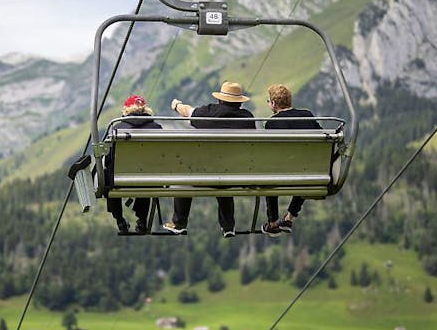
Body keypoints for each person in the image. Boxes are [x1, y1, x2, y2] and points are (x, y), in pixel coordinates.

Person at [163, 81, 255, 237]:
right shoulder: (247, 118)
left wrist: (176, 105)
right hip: (237, 175)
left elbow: (187, 111)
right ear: (239, 103)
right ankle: (228, 226)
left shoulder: (209, 112)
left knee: (183, 176)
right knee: (225, 178)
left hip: (205, 174)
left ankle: (179, 223)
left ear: (220, 99)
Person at [261, 84, 321, 237]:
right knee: (304, 168)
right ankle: (289, 218)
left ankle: (273, 223)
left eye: (268, 101)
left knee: (270, 173)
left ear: (274, 103)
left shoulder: (272, 123)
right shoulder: (307, 114)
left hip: (282, 172)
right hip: (309, 172)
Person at [108, 95, 161, 234]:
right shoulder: (157, 128)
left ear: (126, 110)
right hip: (150, 180)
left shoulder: (117, 128)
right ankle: (142, 220)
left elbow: (109, 157)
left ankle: (119, 220)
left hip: (120, 180)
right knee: (146, 173)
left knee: (109, 175)